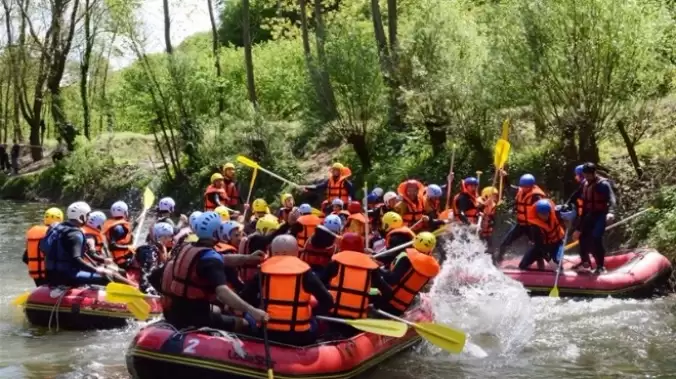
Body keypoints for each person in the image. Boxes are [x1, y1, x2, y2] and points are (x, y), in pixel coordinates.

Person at [155, 211, 268, 331]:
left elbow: (222, 259)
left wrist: (248, 258)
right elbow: (222, 292)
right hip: (195, 318)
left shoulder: (189, 247)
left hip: (176, 311)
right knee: (244, 323)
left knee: (218, 310)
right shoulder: (209, 259)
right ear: (215, 233)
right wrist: (253, 311)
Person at [240, 235, 334, 346]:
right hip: (301, 336)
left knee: (249, 317)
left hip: (268, 333)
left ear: (272, 251)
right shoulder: (305, 272)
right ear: (296, 252)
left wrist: (260, 306)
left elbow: (246, 298)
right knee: (315, 322)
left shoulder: (262, 271)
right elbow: (328, 302)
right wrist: (311, 313)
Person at [41, 202, 115, 286]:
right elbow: (77, 260)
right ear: (81, 217)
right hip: (68, 276)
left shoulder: (55, 227)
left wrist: (102, 261)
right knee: (109, 276)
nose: (88, 219)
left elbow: (44, 248)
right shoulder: (75, 234)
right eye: (87, 216)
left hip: (50, 275)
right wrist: (96, 270)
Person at [322, 233, 391, 325]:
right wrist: (374, 306)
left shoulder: (335, 263)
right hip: (357, 320)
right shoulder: (370, 268)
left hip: (333, 317)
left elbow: (319, 286)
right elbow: (388, 292)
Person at [376, 232, 441, 316]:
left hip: (386, 300)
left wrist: (376, 269)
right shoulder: (431, 266)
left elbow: (391, 280)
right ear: (431, 248)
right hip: (403, 306)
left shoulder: (406, 258)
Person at [569, 163, 617, 274]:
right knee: (582, 237)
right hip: (589, 214)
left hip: (600, 214)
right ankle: (585, 262)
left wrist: (611, 212)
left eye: (589, 175)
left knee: (596, 238)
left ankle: (600, 266)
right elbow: (574, 196)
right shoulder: (585, 183)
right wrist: (566, 205)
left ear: (594, 173)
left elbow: (612, 199)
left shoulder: (603, 184)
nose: (586, 177)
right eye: (585, 175)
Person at [494, 174, 546, 264]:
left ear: (531, 186)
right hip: (521, 225)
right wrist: (505, 177)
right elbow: (508, 187)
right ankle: (498, 262)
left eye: (527, 186)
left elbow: (543, 210)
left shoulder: (536, 197)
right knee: (504, 243)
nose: (524, 188)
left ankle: (540, 265)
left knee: (537, 247)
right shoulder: (520, 191)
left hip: (532, 226)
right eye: (523, 186)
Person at [519, 199, 572, 270]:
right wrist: (549, 261)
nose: (545, 216)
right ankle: (539, 263)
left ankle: (556, 263)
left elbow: (566, 210)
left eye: (547, 213)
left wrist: (568, 218)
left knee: (558, 264)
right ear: (537, 213)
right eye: (542, 214)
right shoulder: (535, 227)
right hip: (542, 246)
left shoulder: (556, 213)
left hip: (557, 243)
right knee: (522, 266)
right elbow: (539, 246)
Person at [23, 207, 63, 286]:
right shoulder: (56, 234)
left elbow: (25, 258)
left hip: (36, 275)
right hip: (51, 274)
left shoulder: (32, 232)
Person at [134, 222, 173, 294]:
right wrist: (152, 291)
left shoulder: (160, 248)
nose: (170, 239)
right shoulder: (149, 251)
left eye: (169, 236)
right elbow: (146, 277)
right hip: (141, 281)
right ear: (158, 237)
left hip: (154, 280)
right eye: (166, 237)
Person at [102, 200, 135, 268]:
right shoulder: (118, 228)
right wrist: (128, 247)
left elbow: (125, 234)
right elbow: (112, 246)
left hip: (126, 257)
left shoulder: (118, 225)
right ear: (125, 212)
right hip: (123, 261)